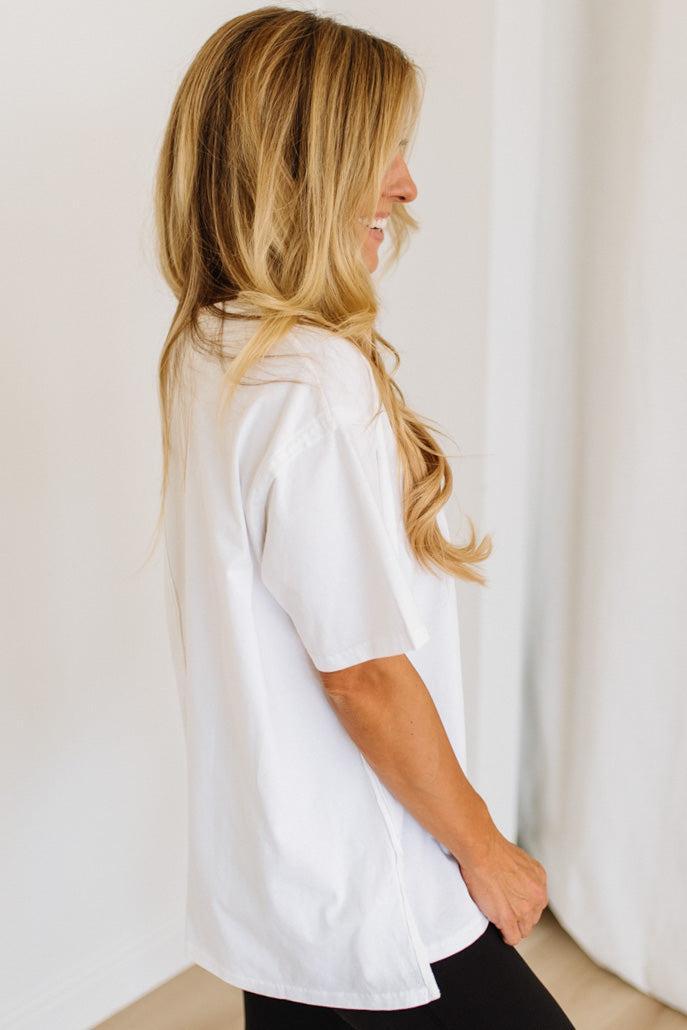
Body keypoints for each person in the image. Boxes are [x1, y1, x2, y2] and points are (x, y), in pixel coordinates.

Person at [151, 6, 575, 1027]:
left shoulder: (213, 347)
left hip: (288, 891)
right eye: (379, 148)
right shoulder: (312, 385)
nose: (405, 183)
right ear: (294, 170)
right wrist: (487, 850)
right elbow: (367, 676)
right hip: (374, 895)